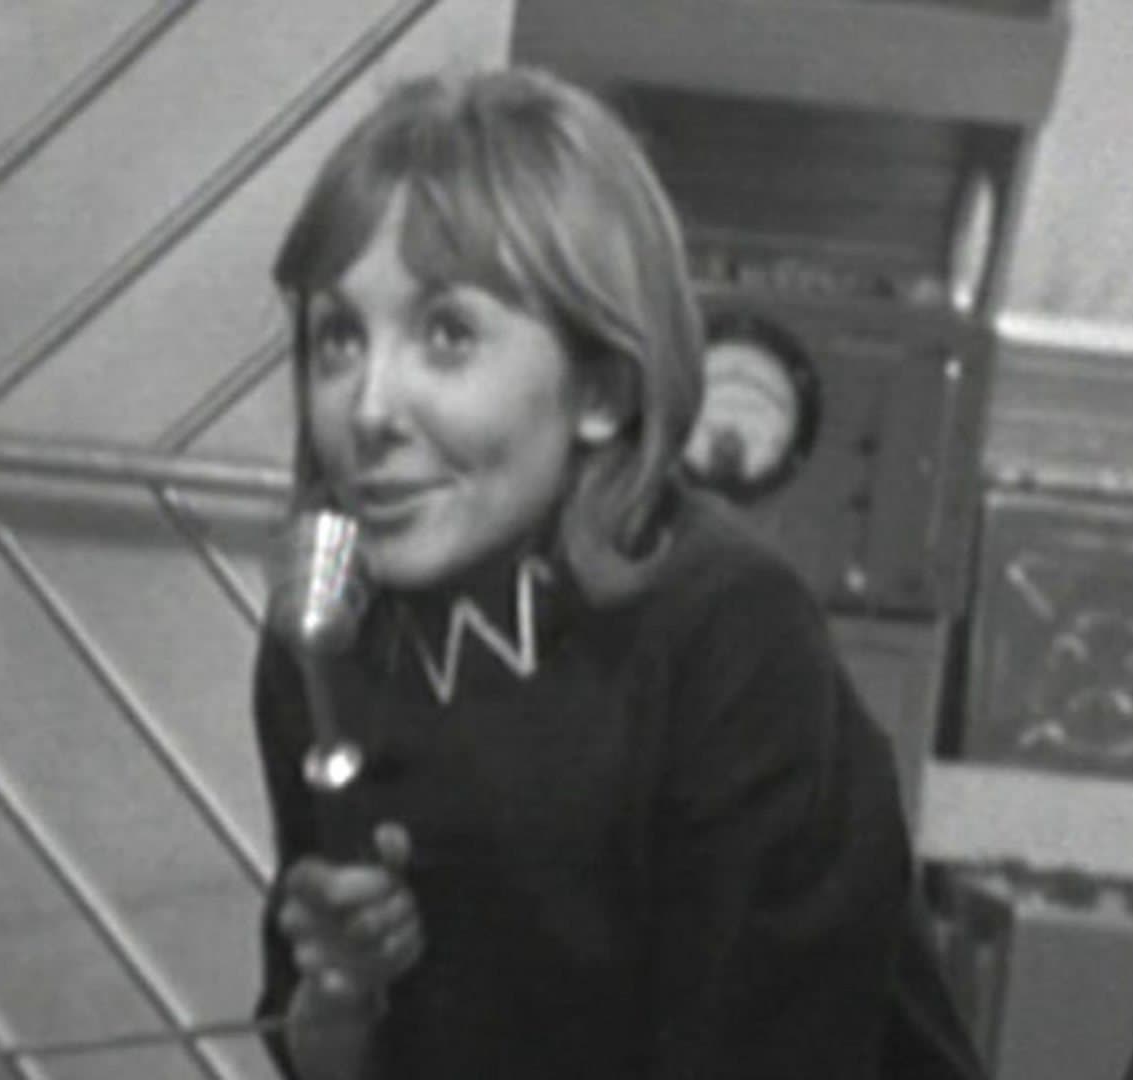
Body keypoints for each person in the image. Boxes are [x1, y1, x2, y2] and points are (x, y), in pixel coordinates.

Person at [252, 66, 984, 1080]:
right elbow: (324, 1058)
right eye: (337, 339)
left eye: (447, 335)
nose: (369, 409)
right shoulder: (324, 648)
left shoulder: (730, 636)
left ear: (599, 388)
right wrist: (339, 1003)